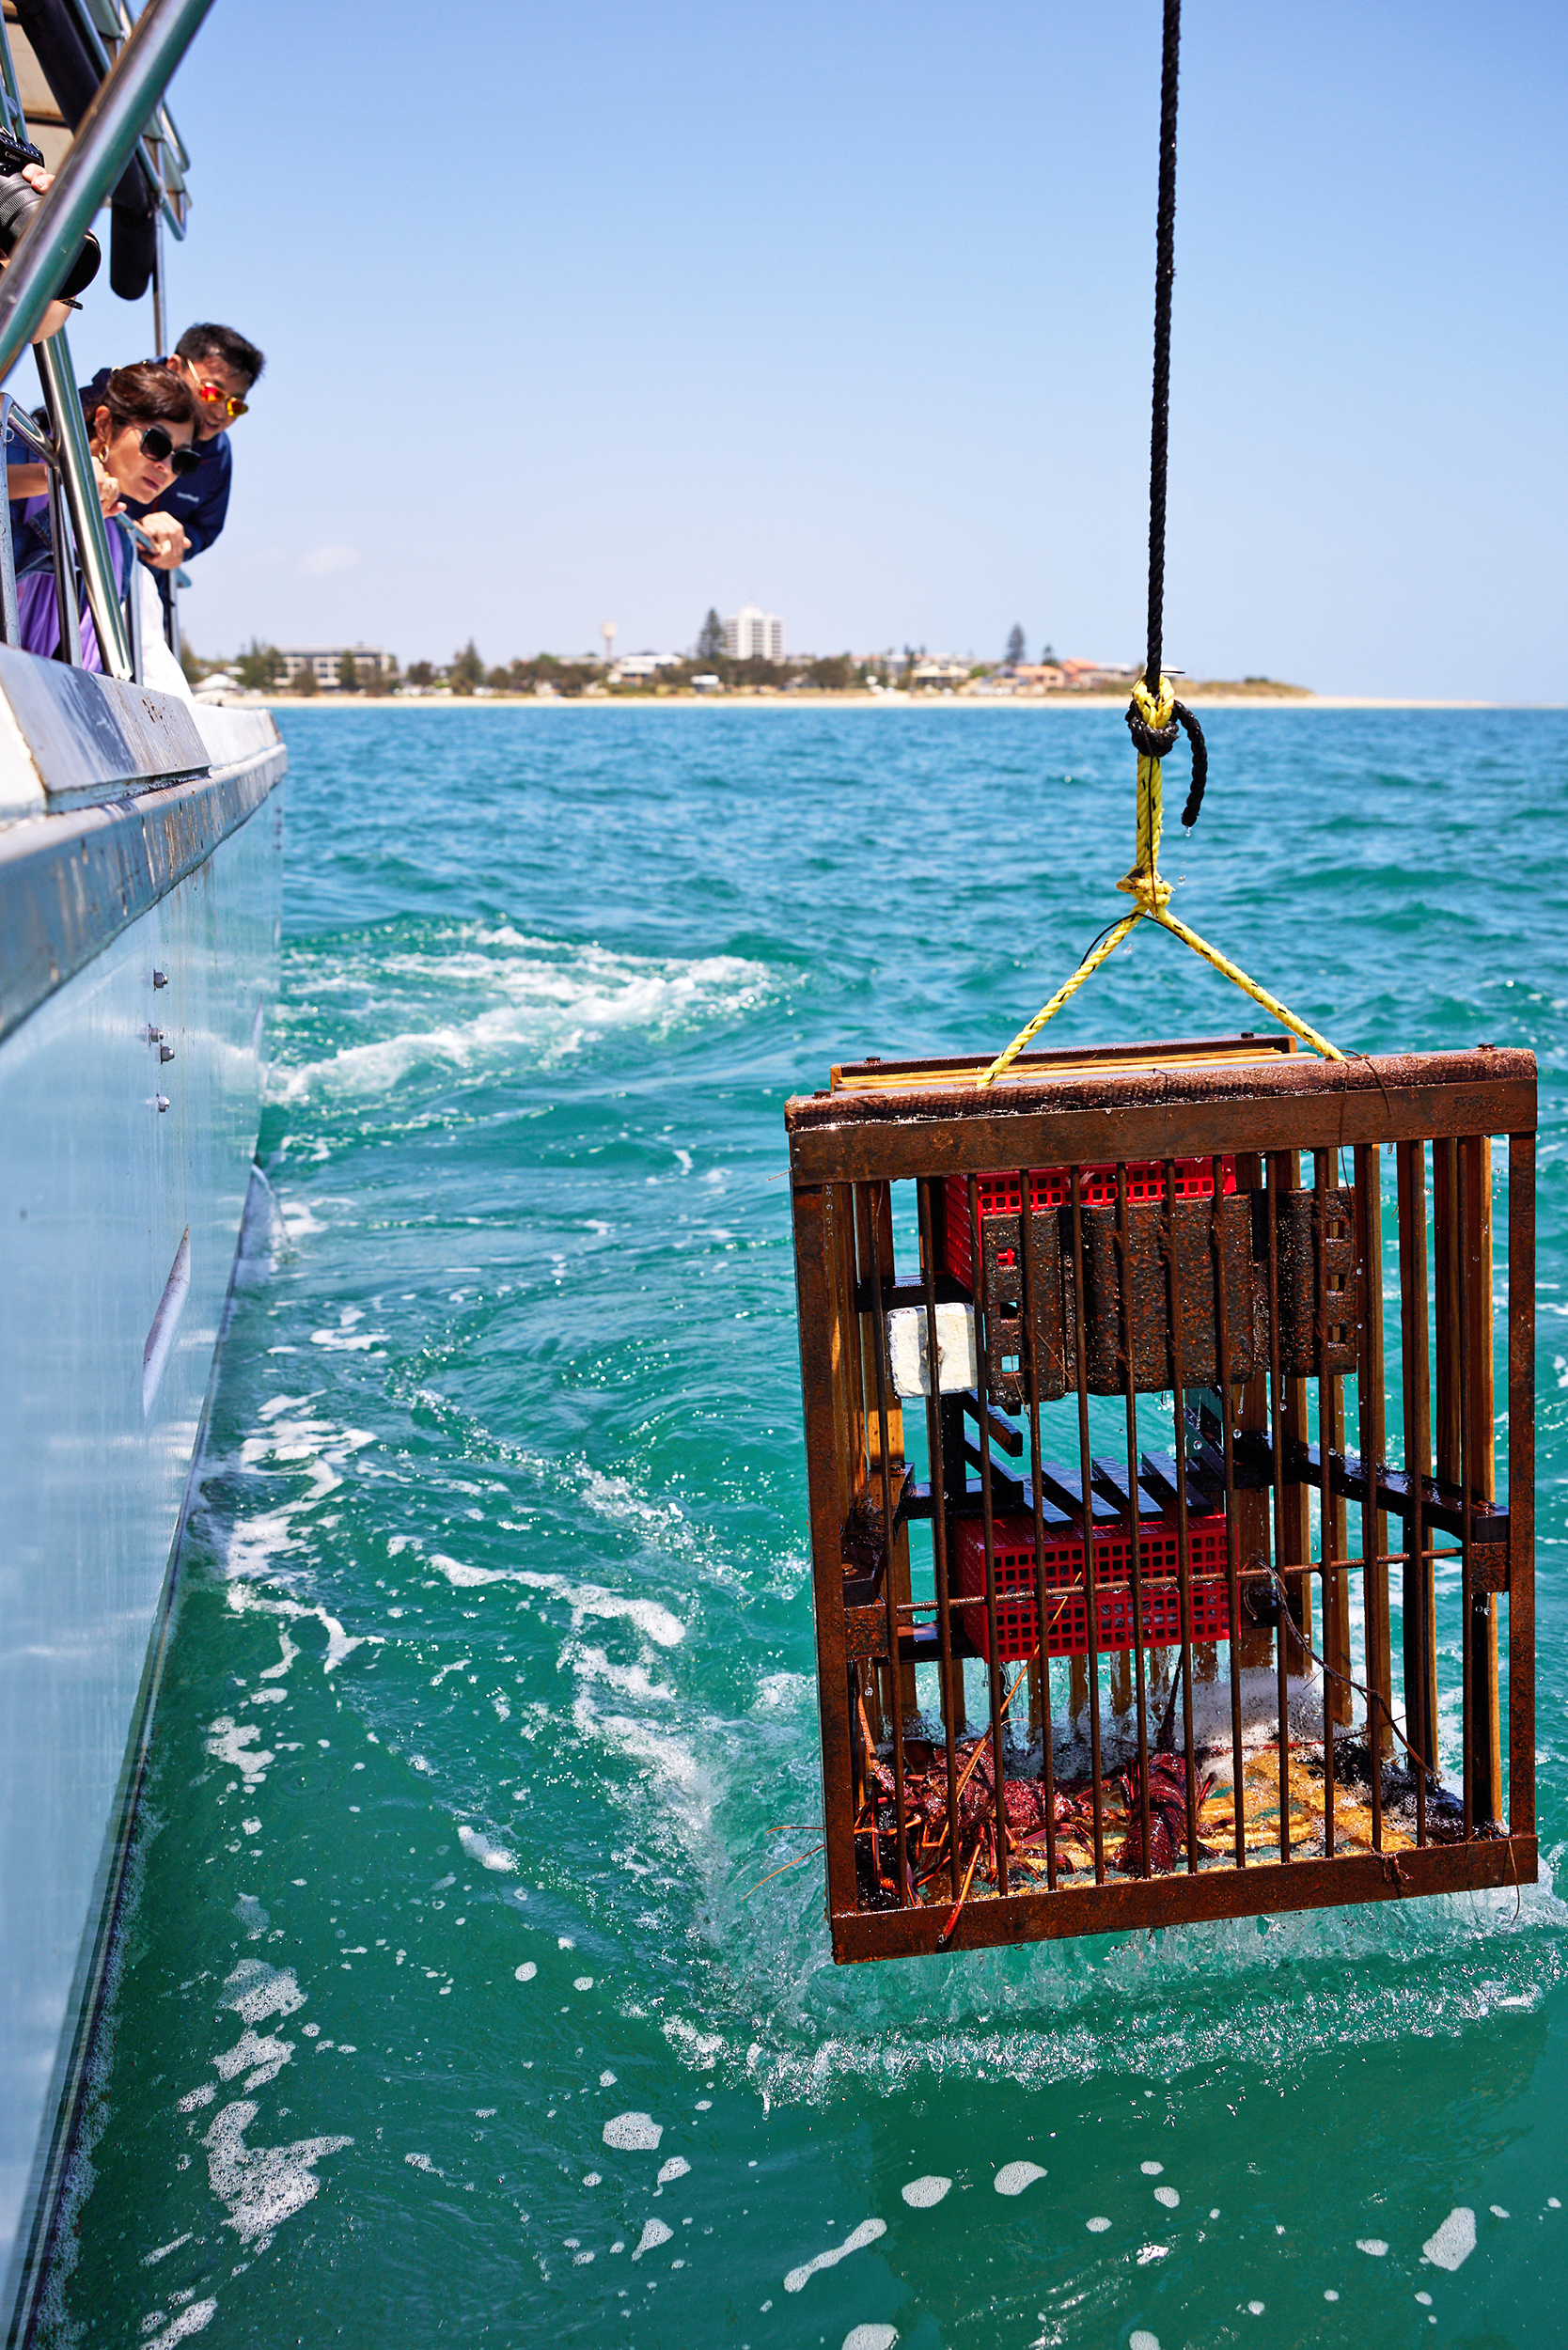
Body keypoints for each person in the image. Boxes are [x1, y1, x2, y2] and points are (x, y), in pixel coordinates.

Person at [11, 361, 197, 669]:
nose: (166, 466)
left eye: (183, 460)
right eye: (157, 443)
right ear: (105, 424)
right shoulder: (20, 447)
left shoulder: (121, 542)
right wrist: (63, 483)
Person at [84, 321, 264, 577]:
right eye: (212, 392)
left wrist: (177, 544)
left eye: (235, 406)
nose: (221, 411)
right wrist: (78, 471)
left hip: (136, 586)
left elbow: (205, 527)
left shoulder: (218, 454)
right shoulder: (110, 393)